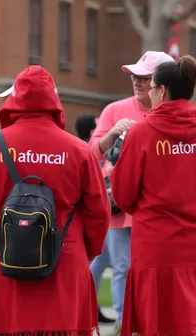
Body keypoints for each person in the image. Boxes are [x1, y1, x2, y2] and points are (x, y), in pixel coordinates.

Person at [0, 65, 110, 335]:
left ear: (14, 100)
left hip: (8, 260)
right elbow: (99, 213)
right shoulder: (79, 150)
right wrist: (85, 253)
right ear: (55, 103)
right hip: (66, 260)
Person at [110, 55, 196, 335]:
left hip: (155, 245)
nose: (148, 93)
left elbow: (123, 195)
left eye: (151, 87)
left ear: (162, 90)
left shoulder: (141, 133)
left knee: (157, 322)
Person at [88, 51, 174, 329]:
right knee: (122, 267)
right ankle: (126, 323)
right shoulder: (114, 110)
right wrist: (112, 133)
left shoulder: (170, 112)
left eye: (144, 77)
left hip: (158, 207)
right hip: (119, 203)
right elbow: (91, 154)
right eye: (135, 76)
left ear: (161, 84)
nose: (137, 82)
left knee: (158, 268)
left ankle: (154, 321)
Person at [75, 114, 114, 324]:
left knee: (103, 262)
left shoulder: (76, 149)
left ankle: (91, 305)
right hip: (95, 217)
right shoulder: (88, 153)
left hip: (85, 219)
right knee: (103, 263)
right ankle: (90, 305)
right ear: (92, 132)